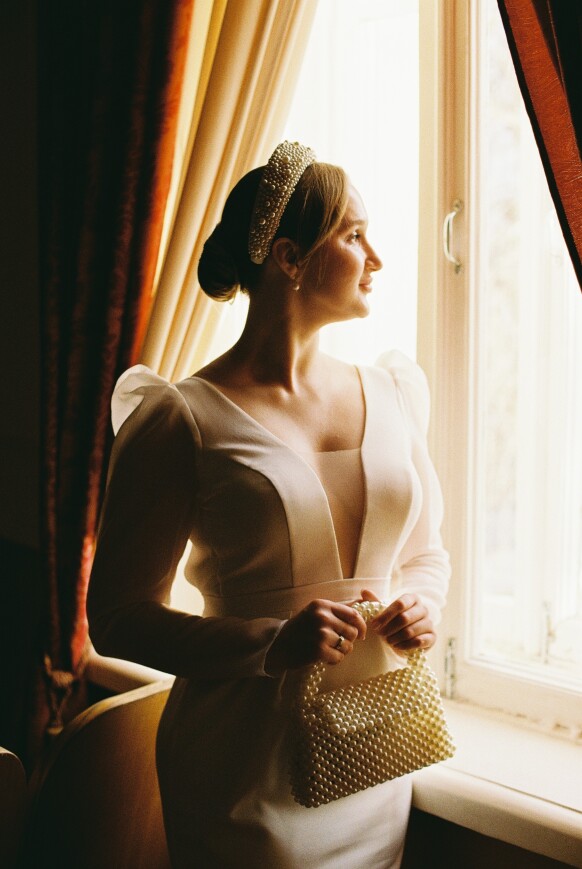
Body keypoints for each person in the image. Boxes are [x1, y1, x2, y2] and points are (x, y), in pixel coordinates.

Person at [87, 140, 450, 868]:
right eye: (354, 235)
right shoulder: (181, 419)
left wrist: (422, 605)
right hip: (241, 774)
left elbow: (425, 555)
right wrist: (270, 644)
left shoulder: (392, 394)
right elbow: (116, 616)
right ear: (290, 257)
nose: (376, 258)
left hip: (374, 751)